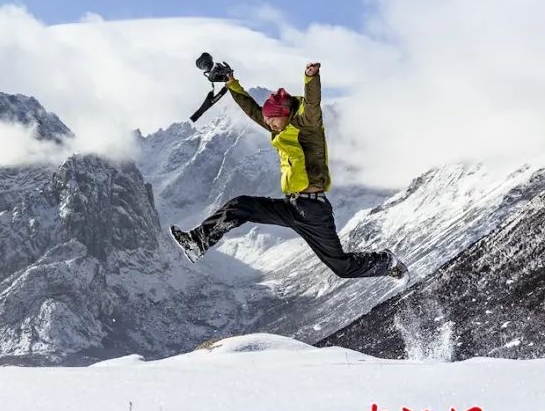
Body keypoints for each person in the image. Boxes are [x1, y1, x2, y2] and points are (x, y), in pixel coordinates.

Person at [170, 62, 407, 280]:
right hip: (293, 206)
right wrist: (232, 84)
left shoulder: (308, 126)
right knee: (239, 206)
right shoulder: (280, 126)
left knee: (342, 267)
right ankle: (198, 242)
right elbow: (254, 111)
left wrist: (311, 78)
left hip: (313, 210)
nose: (269, 126)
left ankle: (388, 263)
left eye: (272, 121)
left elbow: (312, 104)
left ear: (283, 116)